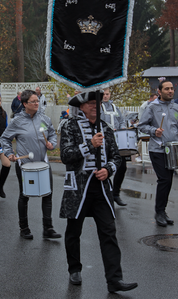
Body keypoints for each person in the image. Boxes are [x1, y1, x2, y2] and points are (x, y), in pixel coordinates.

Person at [59, 91, 138, 293]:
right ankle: (74, 269)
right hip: (78, 187)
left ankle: (114, 279)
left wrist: (108, 170)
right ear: (82, 106)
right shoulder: (70, 126)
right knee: (73, 231)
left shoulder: (106, 128)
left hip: (101, 188)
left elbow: (116, 157)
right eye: (90, 103)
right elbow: (66, 156)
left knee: (108, 232)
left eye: (97, 102)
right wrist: (89, 145)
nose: (95, 105)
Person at [0, 89, 61, 240]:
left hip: (43, 163)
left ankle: (48, 228)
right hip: (25, 165)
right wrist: (9, 154)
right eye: (33, 101)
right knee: (24, 195)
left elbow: (52, 134)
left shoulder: (44, 119)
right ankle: (24, 228)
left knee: (47, 194)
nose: (36, 104)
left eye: (37, 101)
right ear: (25, 104)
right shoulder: (17, 121)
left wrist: (52, 143)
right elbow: (5, 139)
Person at [138, 80, 178, 227]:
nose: (170, 91)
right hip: (157, 149)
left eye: (172, 88)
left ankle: (163, 211)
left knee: (169, 181)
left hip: (172, 149)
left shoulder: (176, 107)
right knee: (164, 180)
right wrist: (154, 131)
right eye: (167, 89)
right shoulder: (152, 107)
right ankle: (159, 212)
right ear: (159, 91)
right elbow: (142, 125)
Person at [100, 89, 128, 207]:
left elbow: (122, 121)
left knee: (122, 167)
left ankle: (116, 194)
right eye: (103, 94)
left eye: (107, 94)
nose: (105, 96)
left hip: (117, 141)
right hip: (104, 141)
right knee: (106, 167)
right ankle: (106, 195)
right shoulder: (98, 107)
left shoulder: (115, 108)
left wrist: (121, 128)